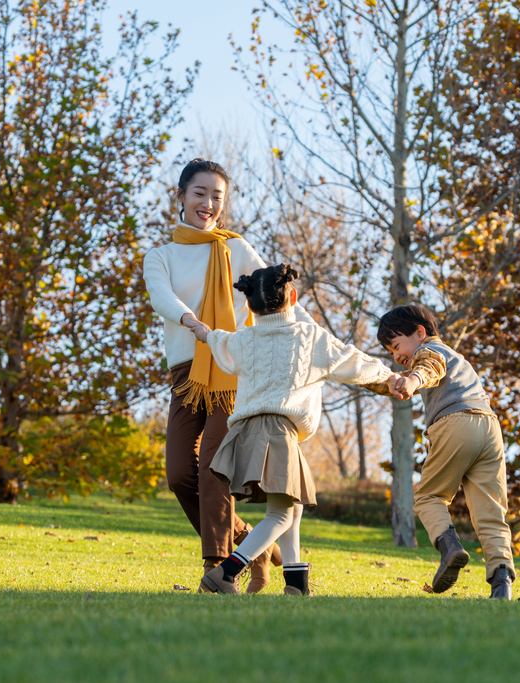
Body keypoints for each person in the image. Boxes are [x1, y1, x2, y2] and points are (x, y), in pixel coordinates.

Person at [142, 159, 317, 593]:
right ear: (180, 197)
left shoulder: (236, 249)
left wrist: (312, 337)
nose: (208, 204)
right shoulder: (160, 256)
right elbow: (161, 296)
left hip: (233, 368)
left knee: (212, 467)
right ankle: (255, 544)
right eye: (200, 193)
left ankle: (219, 570)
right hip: (186, 373)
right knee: (179, 474)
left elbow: (277, 293)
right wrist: (191, 323)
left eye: (217, 197)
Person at [195, 264, 402, 596]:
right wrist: (389, 377)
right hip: (277, 431)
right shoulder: (309, 336)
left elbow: (219, 343)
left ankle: (295, 585)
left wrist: (202, 331)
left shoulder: (245, 339)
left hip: (247, 432)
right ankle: (225, 573)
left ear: (249, 306)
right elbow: (353, 361)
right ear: (292, 297)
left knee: (291, 509)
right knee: (280, 514)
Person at [377, 303, 515, 600]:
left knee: (428, 497)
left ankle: (450, 548)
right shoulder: (457, 357)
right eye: (391, 352)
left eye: (397, 345)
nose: (397, 355)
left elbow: (428, 368)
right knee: (491, 511)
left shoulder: (429, 352)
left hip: (456, 424)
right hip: (489, 428)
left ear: (420, 333)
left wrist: (413, 380)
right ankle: (501, 581)